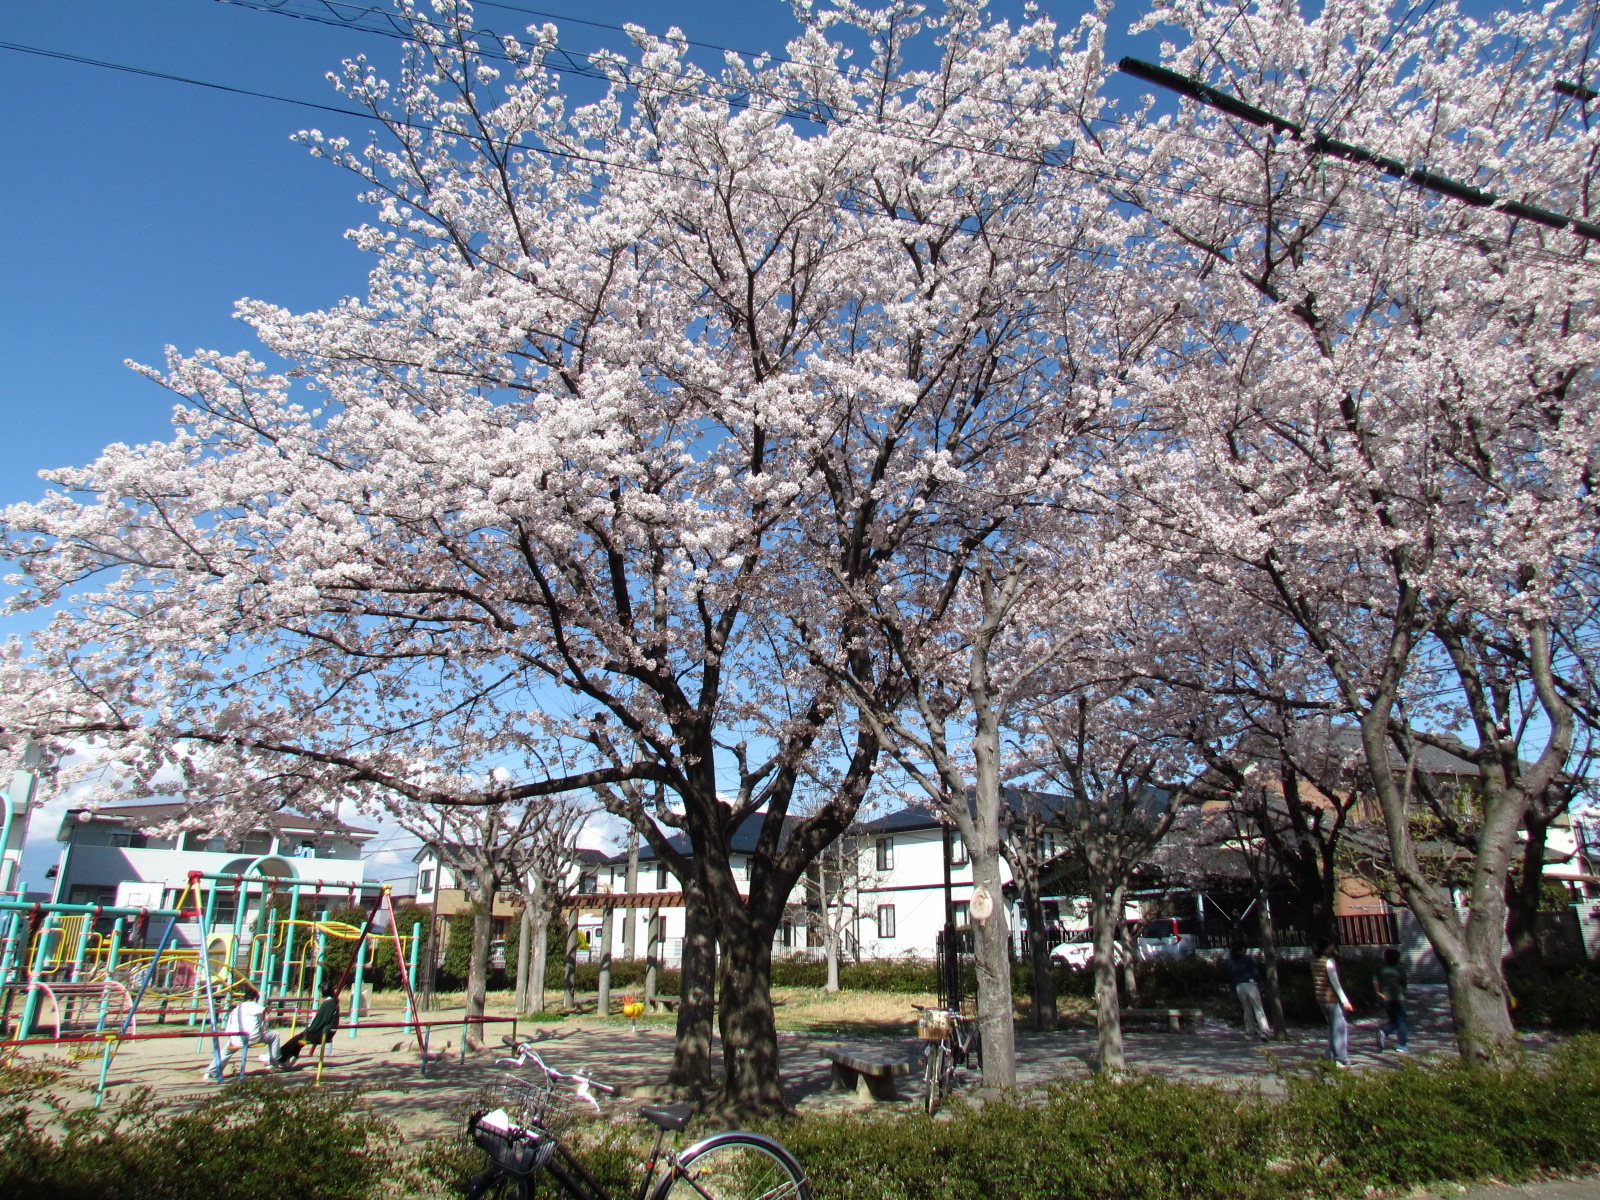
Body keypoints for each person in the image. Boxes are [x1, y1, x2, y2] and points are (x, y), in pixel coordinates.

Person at [203, 983, 281, 1082]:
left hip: (235, 1038)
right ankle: (273, 1062)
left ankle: (211, 1072)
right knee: (275, 1035)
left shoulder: (236, 1009)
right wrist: (267, 1022)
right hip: (252, 1038)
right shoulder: (259, 1008)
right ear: (256, 999)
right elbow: (262, 1028)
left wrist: (231, 1038)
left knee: (225, 1052)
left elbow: (229, 1026)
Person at [1312, 938, 1354, 1068]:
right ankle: (1341, 1058)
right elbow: (1335, 982)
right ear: (1325, 948)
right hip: (1332, 998)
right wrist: (1345, 1000)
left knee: (1332, 1027)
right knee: (1339, 1029)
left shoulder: (1313, 960)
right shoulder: (1329, 962)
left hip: (1320, 998)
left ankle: (1329, 1054)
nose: (1332, 948)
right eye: (1330, 945)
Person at [279, 984, 341, 1067]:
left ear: (324, 992)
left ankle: (279, 1057)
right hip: (328, 1032)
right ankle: (287, 1057)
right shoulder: (334, 1001)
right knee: (299, 1040)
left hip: (323, 1033)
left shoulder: (328, 1004)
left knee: (295, 1040)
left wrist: (309, 1029)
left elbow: (320, 1021)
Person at [1228, 945, 1271, 1040]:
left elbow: (1230, 974)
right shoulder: (1247, 959)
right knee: (1258, 1007)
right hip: (1250, 983)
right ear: (1241, 949)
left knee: (1246, 1009)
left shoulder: (1231, 961)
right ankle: (1264, 1031)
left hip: (1239, 985)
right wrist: (1259, 982)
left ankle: (1249, 1031)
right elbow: (1255, 971)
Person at [1374, 947, 1409, 1053]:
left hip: (1386, 998)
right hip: (1398, 998)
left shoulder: (1379, 968)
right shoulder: (1400, 970)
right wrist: (1404, 994)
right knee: (1401, 1021)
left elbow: (1375, 981)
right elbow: (1404, 985)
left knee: (1393, 1020)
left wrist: (1378, 992)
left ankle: (1383, 1032)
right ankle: (1402, 1044)